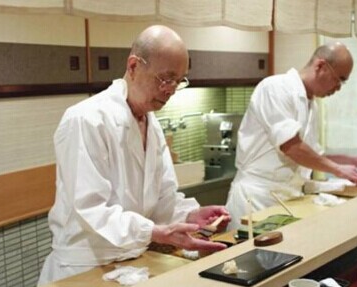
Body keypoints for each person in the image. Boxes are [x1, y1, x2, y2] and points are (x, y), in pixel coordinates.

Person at [38, 25, 230, 285]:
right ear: (133, 66)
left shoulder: (152, 123)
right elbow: (91, 208)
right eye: (165, 78)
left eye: (179, 80)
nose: (171, 89)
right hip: (83, 267)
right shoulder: (86, 119)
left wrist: (189, 216)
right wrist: (154, 232)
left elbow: (163, 198)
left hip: (135, 263)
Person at [225, 42, 357, 230]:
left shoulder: (311, 104)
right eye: (339, 79)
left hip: (288, 198)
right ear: (320, 66)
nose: (339, 88)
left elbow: (311, 154)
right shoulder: (275, 88)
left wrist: (349, 160)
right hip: (256, 198)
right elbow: (292, 147)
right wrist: (338, 169)